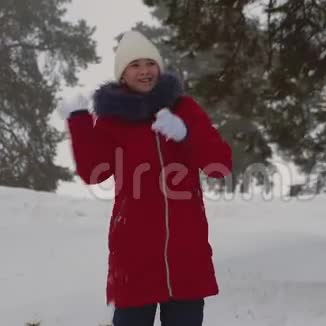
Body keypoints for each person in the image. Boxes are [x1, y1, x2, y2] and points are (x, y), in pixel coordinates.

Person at [59, 31, 232, 326]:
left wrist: (186, 134)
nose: (144, 71)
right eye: (135, 64)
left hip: (185, 251)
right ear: (122, 74)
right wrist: (79, 123)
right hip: (134, 254)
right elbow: (93, 171)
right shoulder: (112, 120)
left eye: (150, 63)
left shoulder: (184, 109)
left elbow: (220, 165)